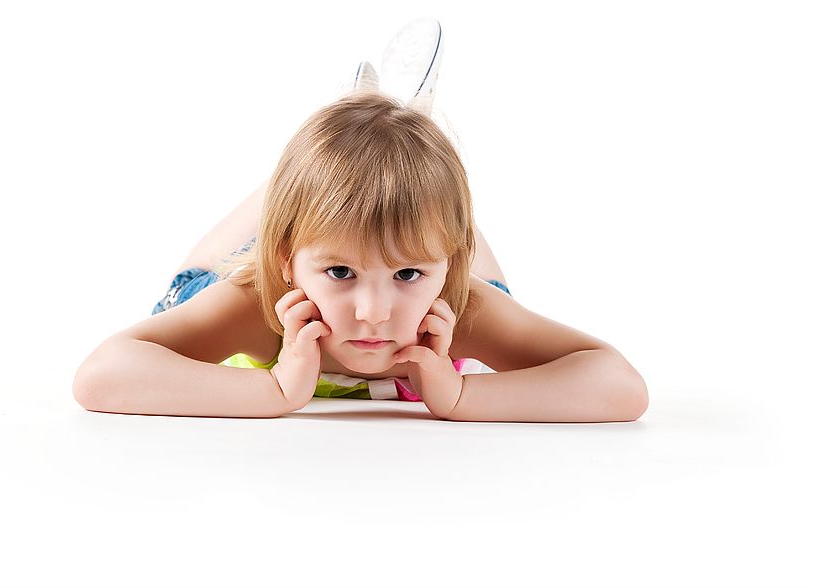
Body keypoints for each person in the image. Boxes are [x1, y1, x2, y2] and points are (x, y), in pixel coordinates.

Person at [73, 18, 648, 422]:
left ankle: (402, 128)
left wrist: (463, 395)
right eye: (341, 273)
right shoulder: (255, 301)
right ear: (287, 263)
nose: (374, 313)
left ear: (448, 269)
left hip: (444, 286)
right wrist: (273, 389)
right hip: (248, 269)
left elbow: (620, 386)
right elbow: (102, 374)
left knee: (436, 216)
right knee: (273, 216)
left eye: (407, 275)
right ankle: (351, 125)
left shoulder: (458, 300)